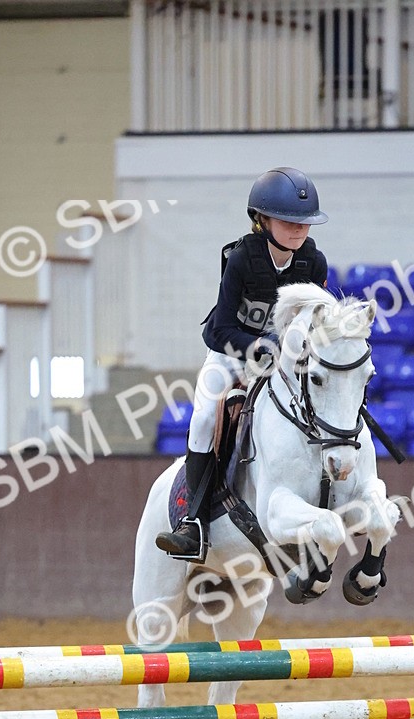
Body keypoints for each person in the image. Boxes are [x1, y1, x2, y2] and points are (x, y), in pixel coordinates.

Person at [155, 166, 329, 560]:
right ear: (261, 221)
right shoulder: (242, 259)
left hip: (280, 362)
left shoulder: (313, 263)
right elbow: (219, 330)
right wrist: (259, 349)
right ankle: (192, 523)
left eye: (304, 221)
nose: (299, 229)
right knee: (202, 418)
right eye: (288, 221)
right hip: (229, 353)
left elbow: (314, 324)